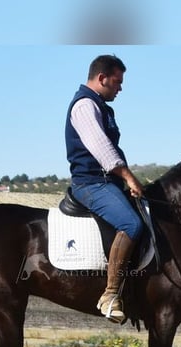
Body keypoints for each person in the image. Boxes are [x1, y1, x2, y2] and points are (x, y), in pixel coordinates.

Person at [65, 54, 145, 323]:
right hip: (91, 183)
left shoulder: (100, 106)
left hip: (105, 182)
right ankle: (110, 295)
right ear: (102, 78)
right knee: (132, 225)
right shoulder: (85, 105)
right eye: (117, 82)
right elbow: (102, 149)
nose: (120, 88)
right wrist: (129, 177)